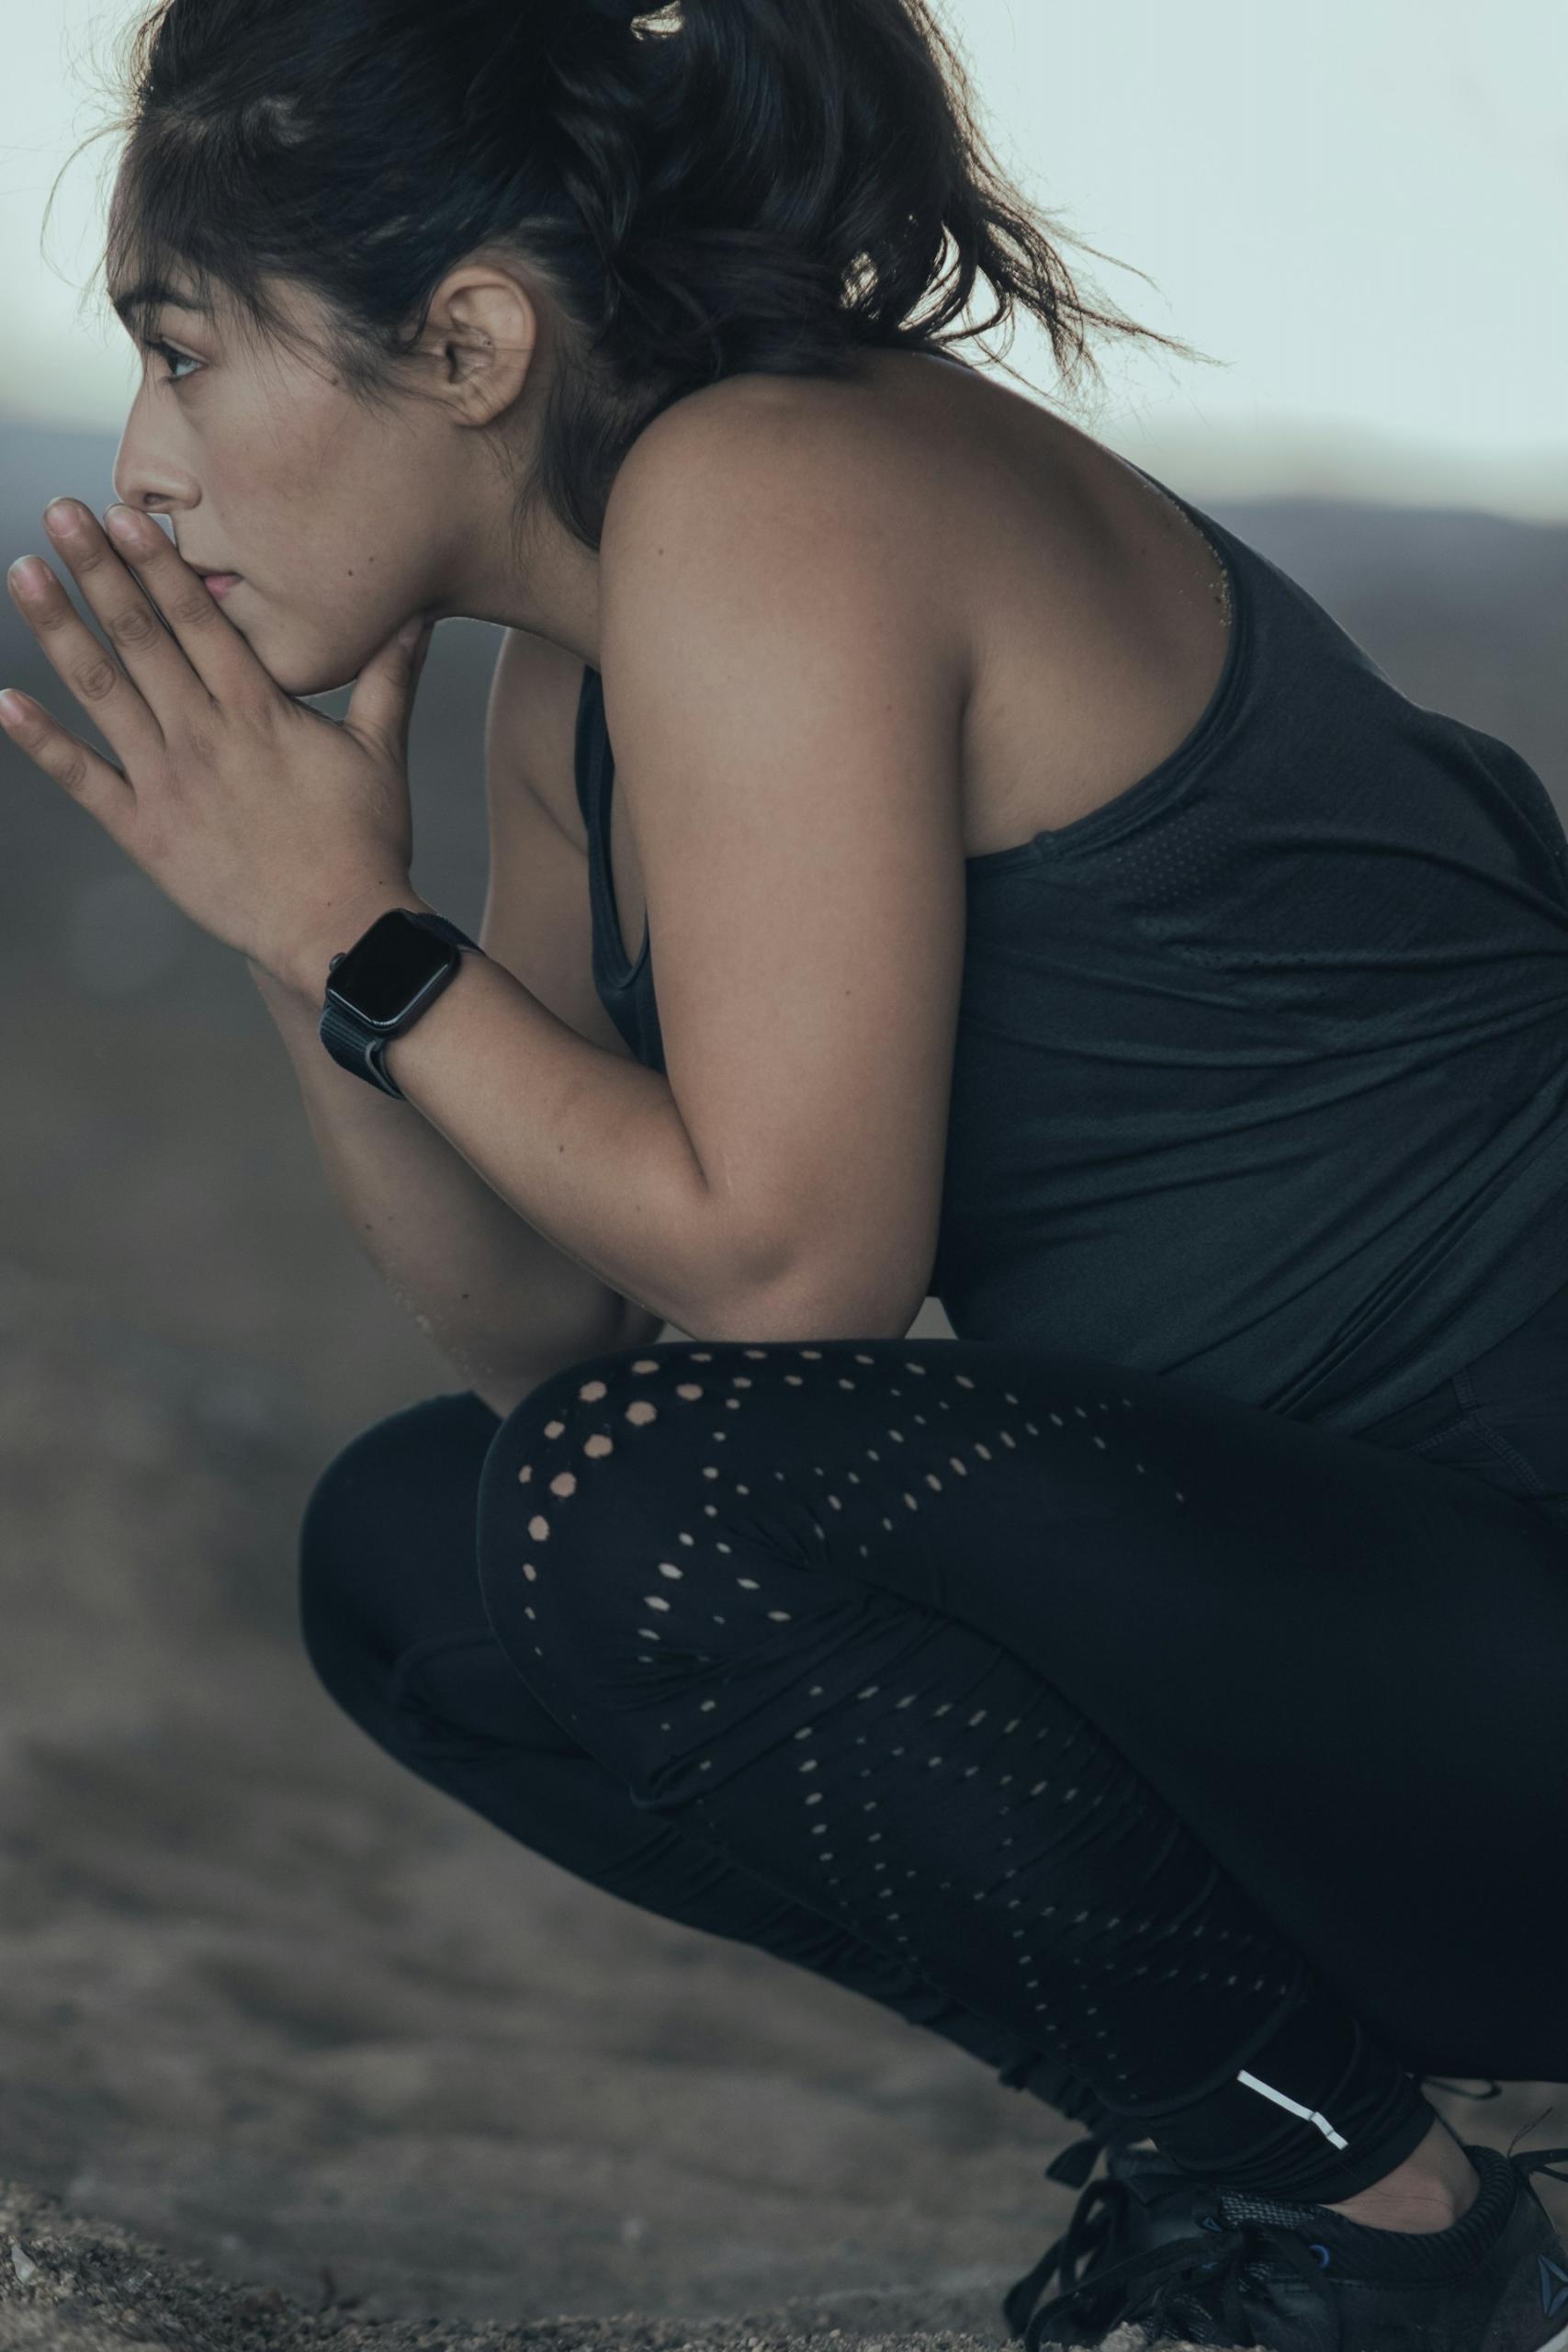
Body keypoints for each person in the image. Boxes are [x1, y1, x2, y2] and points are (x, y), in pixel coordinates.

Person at [72, 0, 1568, 2342]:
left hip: (1502, 1603)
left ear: (465, 340)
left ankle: (1391, 2239)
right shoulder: (568, 676)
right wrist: (303, 925)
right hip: (1357, 1670)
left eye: (184, 355)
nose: (145, 462)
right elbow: (550, 1320)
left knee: (638, 1509)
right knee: (419, 1552)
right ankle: (1285, 2147)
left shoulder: (776, 495)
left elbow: (785, 1282)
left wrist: (359, 942)